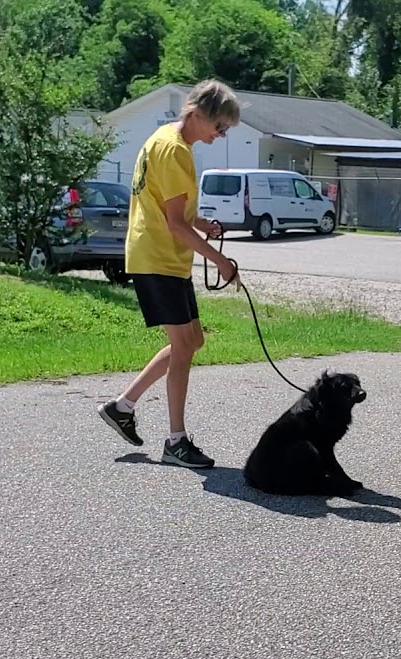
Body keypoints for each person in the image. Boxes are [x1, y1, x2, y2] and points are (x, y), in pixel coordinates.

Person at [97, 79, 242, 469]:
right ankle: (176, 442)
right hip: (157, 257)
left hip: (163, 257)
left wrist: (202, 223)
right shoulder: (175, 150)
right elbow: (175, 225)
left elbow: (174, 210)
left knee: (192, 341)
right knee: (183, 346)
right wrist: (220, 261)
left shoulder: (165, 138)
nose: (221, 134)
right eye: (219, 126)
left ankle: (122, 406)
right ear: (197, 114)